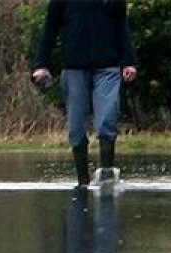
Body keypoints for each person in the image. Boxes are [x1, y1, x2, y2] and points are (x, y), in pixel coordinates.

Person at [31, 0, 139, 188]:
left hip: (108, 67)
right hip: (74, 67)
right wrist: (41, 64)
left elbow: (122, 26)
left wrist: (129, 61)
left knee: (107, 119)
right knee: (75, 126)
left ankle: (106, 174)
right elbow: (50, 27)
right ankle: (83, 182)